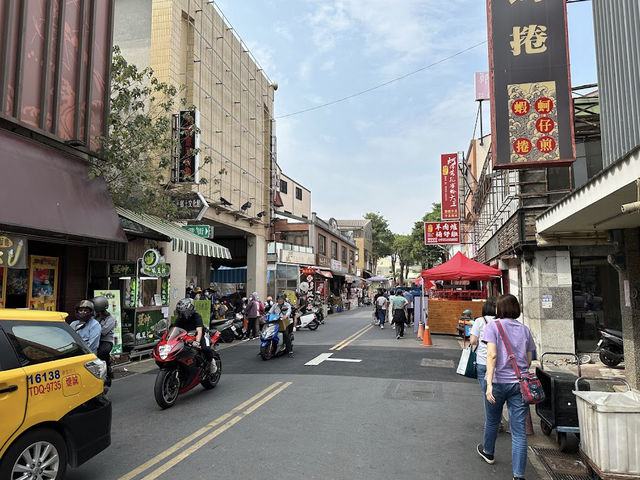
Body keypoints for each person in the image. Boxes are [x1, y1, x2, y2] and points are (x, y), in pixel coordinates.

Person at [476, 294, 535, 480]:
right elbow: (528, 359)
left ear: (499, 310)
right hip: (519, 383)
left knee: (493, 419)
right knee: (519, 432)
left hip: (498, 382)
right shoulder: (525, 329)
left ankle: (488, 452)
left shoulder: (493, 326)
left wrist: (489, 384)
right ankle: (519, 475)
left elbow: (492, 356)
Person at [173, 297, 215, 373]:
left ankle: (211, 361)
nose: (182, 314)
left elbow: (199, 331)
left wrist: (197, 342)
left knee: (205, 348)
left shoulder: (197, 316)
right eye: (180, 312)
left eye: (184, 312)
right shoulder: (179, 319)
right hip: (187, 336)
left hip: (201, 334)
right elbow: (173, 329)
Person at [92, 296, 116, 386]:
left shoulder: (110, 318)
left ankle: (107, 372)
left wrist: (93, 330)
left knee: (102, 353)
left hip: (105, 341)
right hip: (94, 339)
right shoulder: (94, 317)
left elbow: (104, 331)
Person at [269, 293, 294, 357]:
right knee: (271, 333)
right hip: (276, 322)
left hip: (285, 322)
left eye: (281, 299)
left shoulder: (287, 305)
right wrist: (266, 316)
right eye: (278, 299)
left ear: (283, 299)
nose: (280, 300)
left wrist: (286, 316)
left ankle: (290, 351)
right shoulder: (275, 305)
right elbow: (270, 312)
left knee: (286, 334)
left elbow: (289, 311)